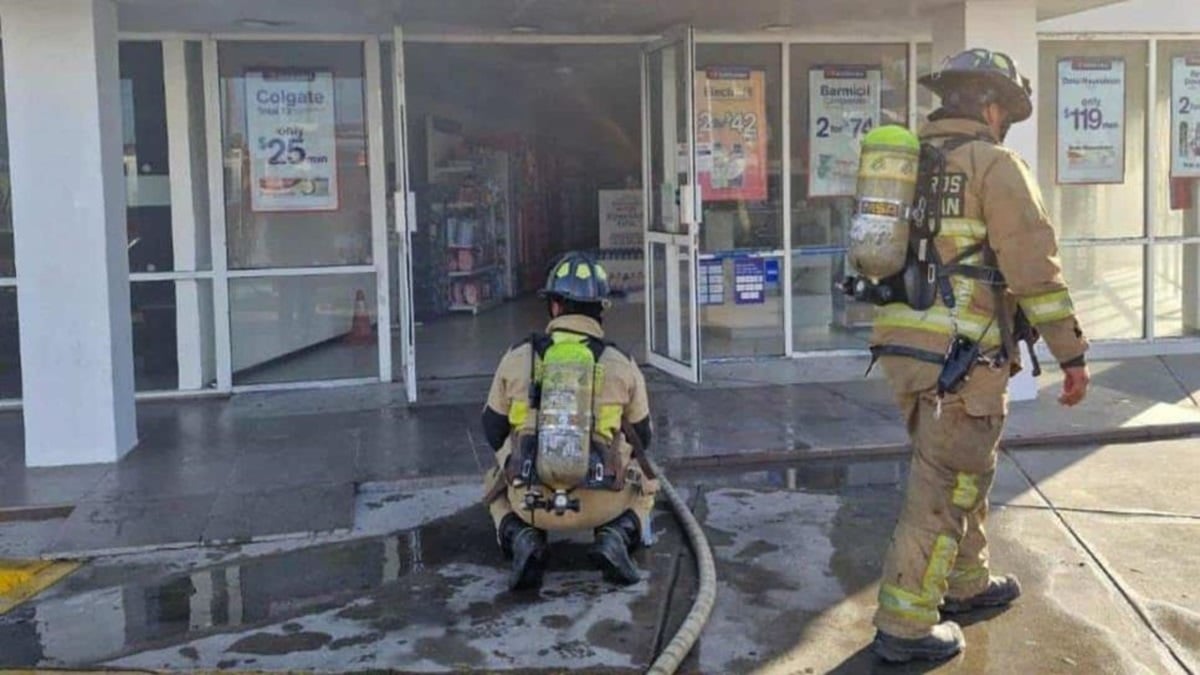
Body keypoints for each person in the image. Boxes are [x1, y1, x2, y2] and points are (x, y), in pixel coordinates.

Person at [867, 48, 1092, 663]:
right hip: (961, 358)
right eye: (1007, 111)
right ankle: (905, 625)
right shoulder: (995, 166)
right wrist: (1071, 355)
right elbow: (1034, 271)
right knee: (942, 484)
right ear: (992, 106)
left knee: (965, 471)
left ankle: (965, 583)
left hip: (903, 346)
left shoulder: (909, 162)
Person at [481, 252, 657, 592]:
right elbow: (644, 437)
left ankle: (522, 537)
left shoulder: (518, 356)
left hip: (530, 502)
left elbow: (492, 430)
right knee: (649, 482)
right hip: (603, 504)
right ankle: (615, 535)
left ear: (555, 306)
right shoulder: (622, 363)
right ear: (601, 309)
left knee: (493, 481)